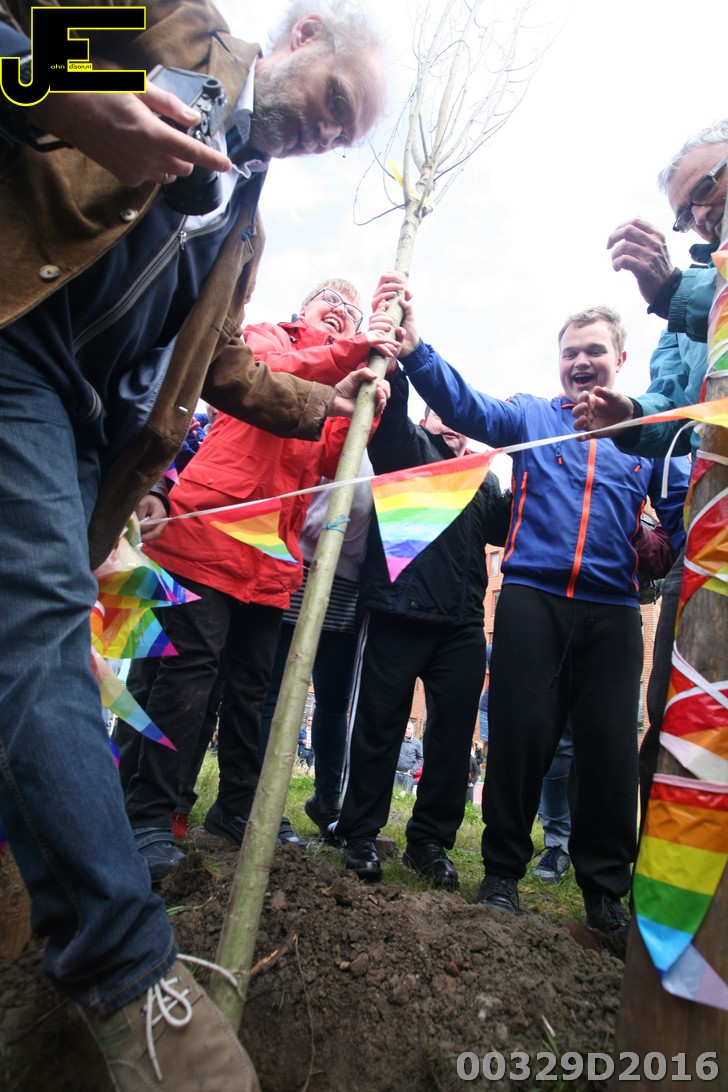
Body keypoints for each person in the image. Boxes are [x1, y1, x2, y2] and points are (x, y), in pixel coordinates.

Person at [0, 2, 388, 1086]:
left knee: (28, 644)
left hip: (84, 432)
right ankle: (131, 981)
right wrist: (70, 98)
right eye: (337, 103)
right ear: (300, 35)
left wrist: (327, 402)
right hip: (15, 344)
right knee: (39, 630)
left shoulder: (243, 224)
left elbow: (218, 366)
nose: (331, 132)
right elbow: (19, 39)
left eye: (348, 133)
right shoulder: (166, 25)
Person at [387, 281, 689, 931]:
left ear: (620, 360)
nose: (581, 362)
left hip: (613, 610)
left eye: (594, 351)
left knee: (608, 752)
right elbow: (467, 406)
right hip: (531, 600)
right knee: (519, 739)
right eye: (570, 352)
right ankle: (502, 874)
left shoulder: (644, 437)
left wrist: (661, 543)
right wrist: (417, 354)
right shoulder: (530, 416)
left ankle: (604, 893)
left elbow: (679, 523)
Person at [126, 277, 397, 875]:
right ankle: (149, 813)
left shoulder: (339, 375)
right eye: (331, 302)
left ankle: (236, 806)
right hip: (209, 530)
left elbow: (331, 460)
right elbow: (258, 376)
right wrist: (348, 353)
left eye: (352, 314)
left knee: (252, 690)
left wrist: (365, 410)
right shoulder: (269, 337)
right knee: (187, 673)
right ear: (304, 309)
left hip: (273, 556)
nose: (341, 314)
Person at [571, 119, 726, 816]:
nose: (701, 214)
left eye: (707, 187)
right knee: (675, 711)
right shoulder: (683, 307)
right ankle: (660, 883)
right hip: (703, 540)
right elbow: (671, 411)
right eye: (687, 210)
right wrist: (630, 414)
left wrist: (670, 292)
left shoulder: (689, 292)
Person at [333, 358, 512, 888]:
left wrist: (527, 465)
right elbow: (390, 420)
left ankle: (429, 843)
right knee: (378, 727)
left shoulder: (483, 481)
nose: (452, 424)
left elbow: (509, 525)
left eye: (461, 417)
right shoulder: (408, 448)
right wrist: (398, 360)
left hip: (461, 626)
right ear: (427, 419)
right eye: (442, 413)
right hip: (397, 613)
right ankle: (360, 832)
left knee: (452, 740)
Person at [260, 454, 374, 837]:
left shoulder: (391, 442)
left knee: (334, 702)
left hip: (350, 583)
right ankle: (263, 803)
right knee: (274, 691)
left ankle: (327, 802)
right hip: (301, 565)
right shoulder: (330, 429)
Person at [394, 721, 424, 794]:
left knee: (404, 796)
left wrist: (412, 770)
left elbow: (421, 758)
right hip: (395, 774)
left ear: (412, 730)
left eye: (409, 728)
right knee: (393, 795)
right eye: (405, 728)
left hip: (407, 775)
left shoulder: (417, 743)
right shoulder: (397, 740)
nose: (406, 730)